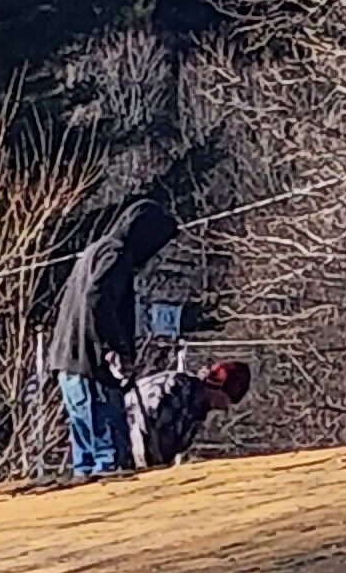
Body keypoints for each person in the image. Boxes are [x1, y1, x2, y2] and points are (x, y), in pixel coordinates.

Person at [44, 195, 177, 477]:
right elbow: (97, 300)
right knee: (108, 459)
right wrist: (114, 349)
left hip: (70, 364)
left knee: (86, 458)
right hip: (92, 368)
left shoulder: (96, 251)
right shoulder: (115, 255)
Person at [126, 356, 251, 468]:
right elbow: (140, 424)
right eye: (226, 399)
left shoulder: (196, 411)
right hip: (123, 450)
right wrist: (144, 464)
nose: (224, 407)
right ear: (217, 386)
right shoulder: (177, 388)